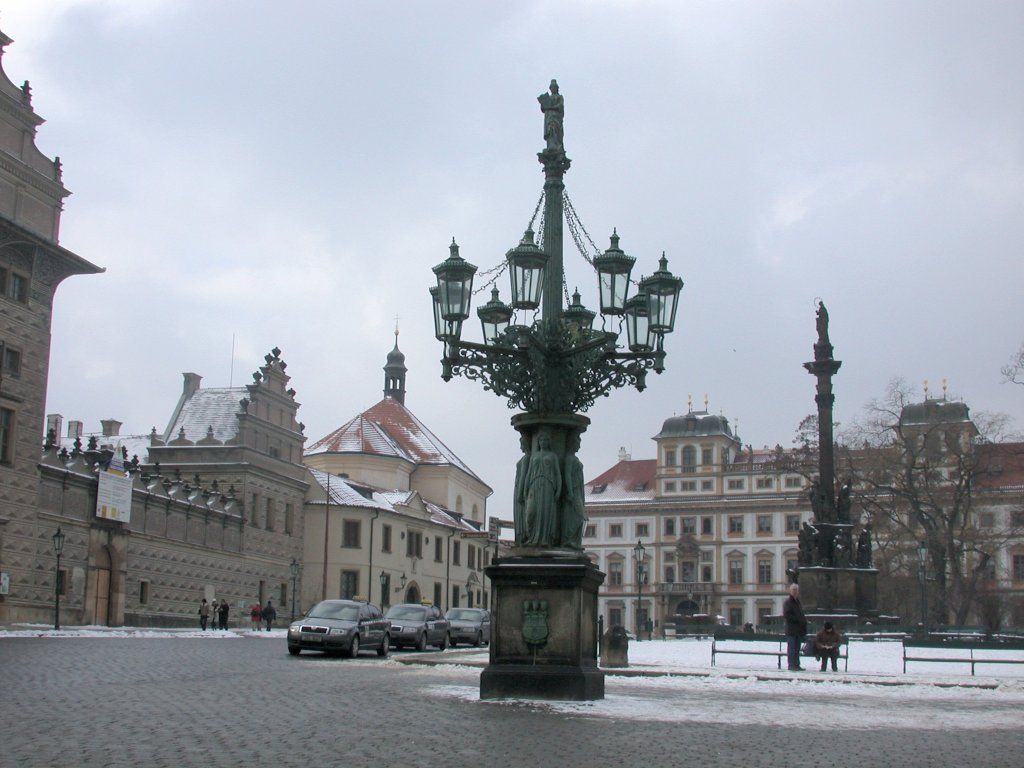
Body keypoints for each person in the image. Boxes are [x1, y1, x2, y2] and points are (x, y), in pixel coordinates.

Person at [782, 583, 807, 671]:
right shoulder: (788, 602)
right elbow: (787, 615)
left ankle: (796, 664)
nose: (795, 592)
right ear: (790, 591)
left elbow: (801, 614)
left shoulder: (798, 602)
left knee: (797, 649)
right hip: (792, 630)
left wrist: (803, 621)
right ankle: (791, 665)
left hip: (798, 630)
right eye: (793, 590)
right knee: (792, 649)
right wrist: (798, 620)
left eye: (796, 590)